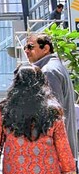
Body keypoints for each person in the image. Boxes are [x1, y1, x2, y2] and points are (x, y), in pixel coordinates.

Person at [25, 32, 77, 161]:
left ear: (46, 48)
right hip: (61, 151)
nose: (26, 51)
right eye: (25, 47)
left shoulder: (48, 71)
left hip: (56, 153)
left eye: (31, 46)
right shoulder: (54, 66)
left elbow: (53, 116)